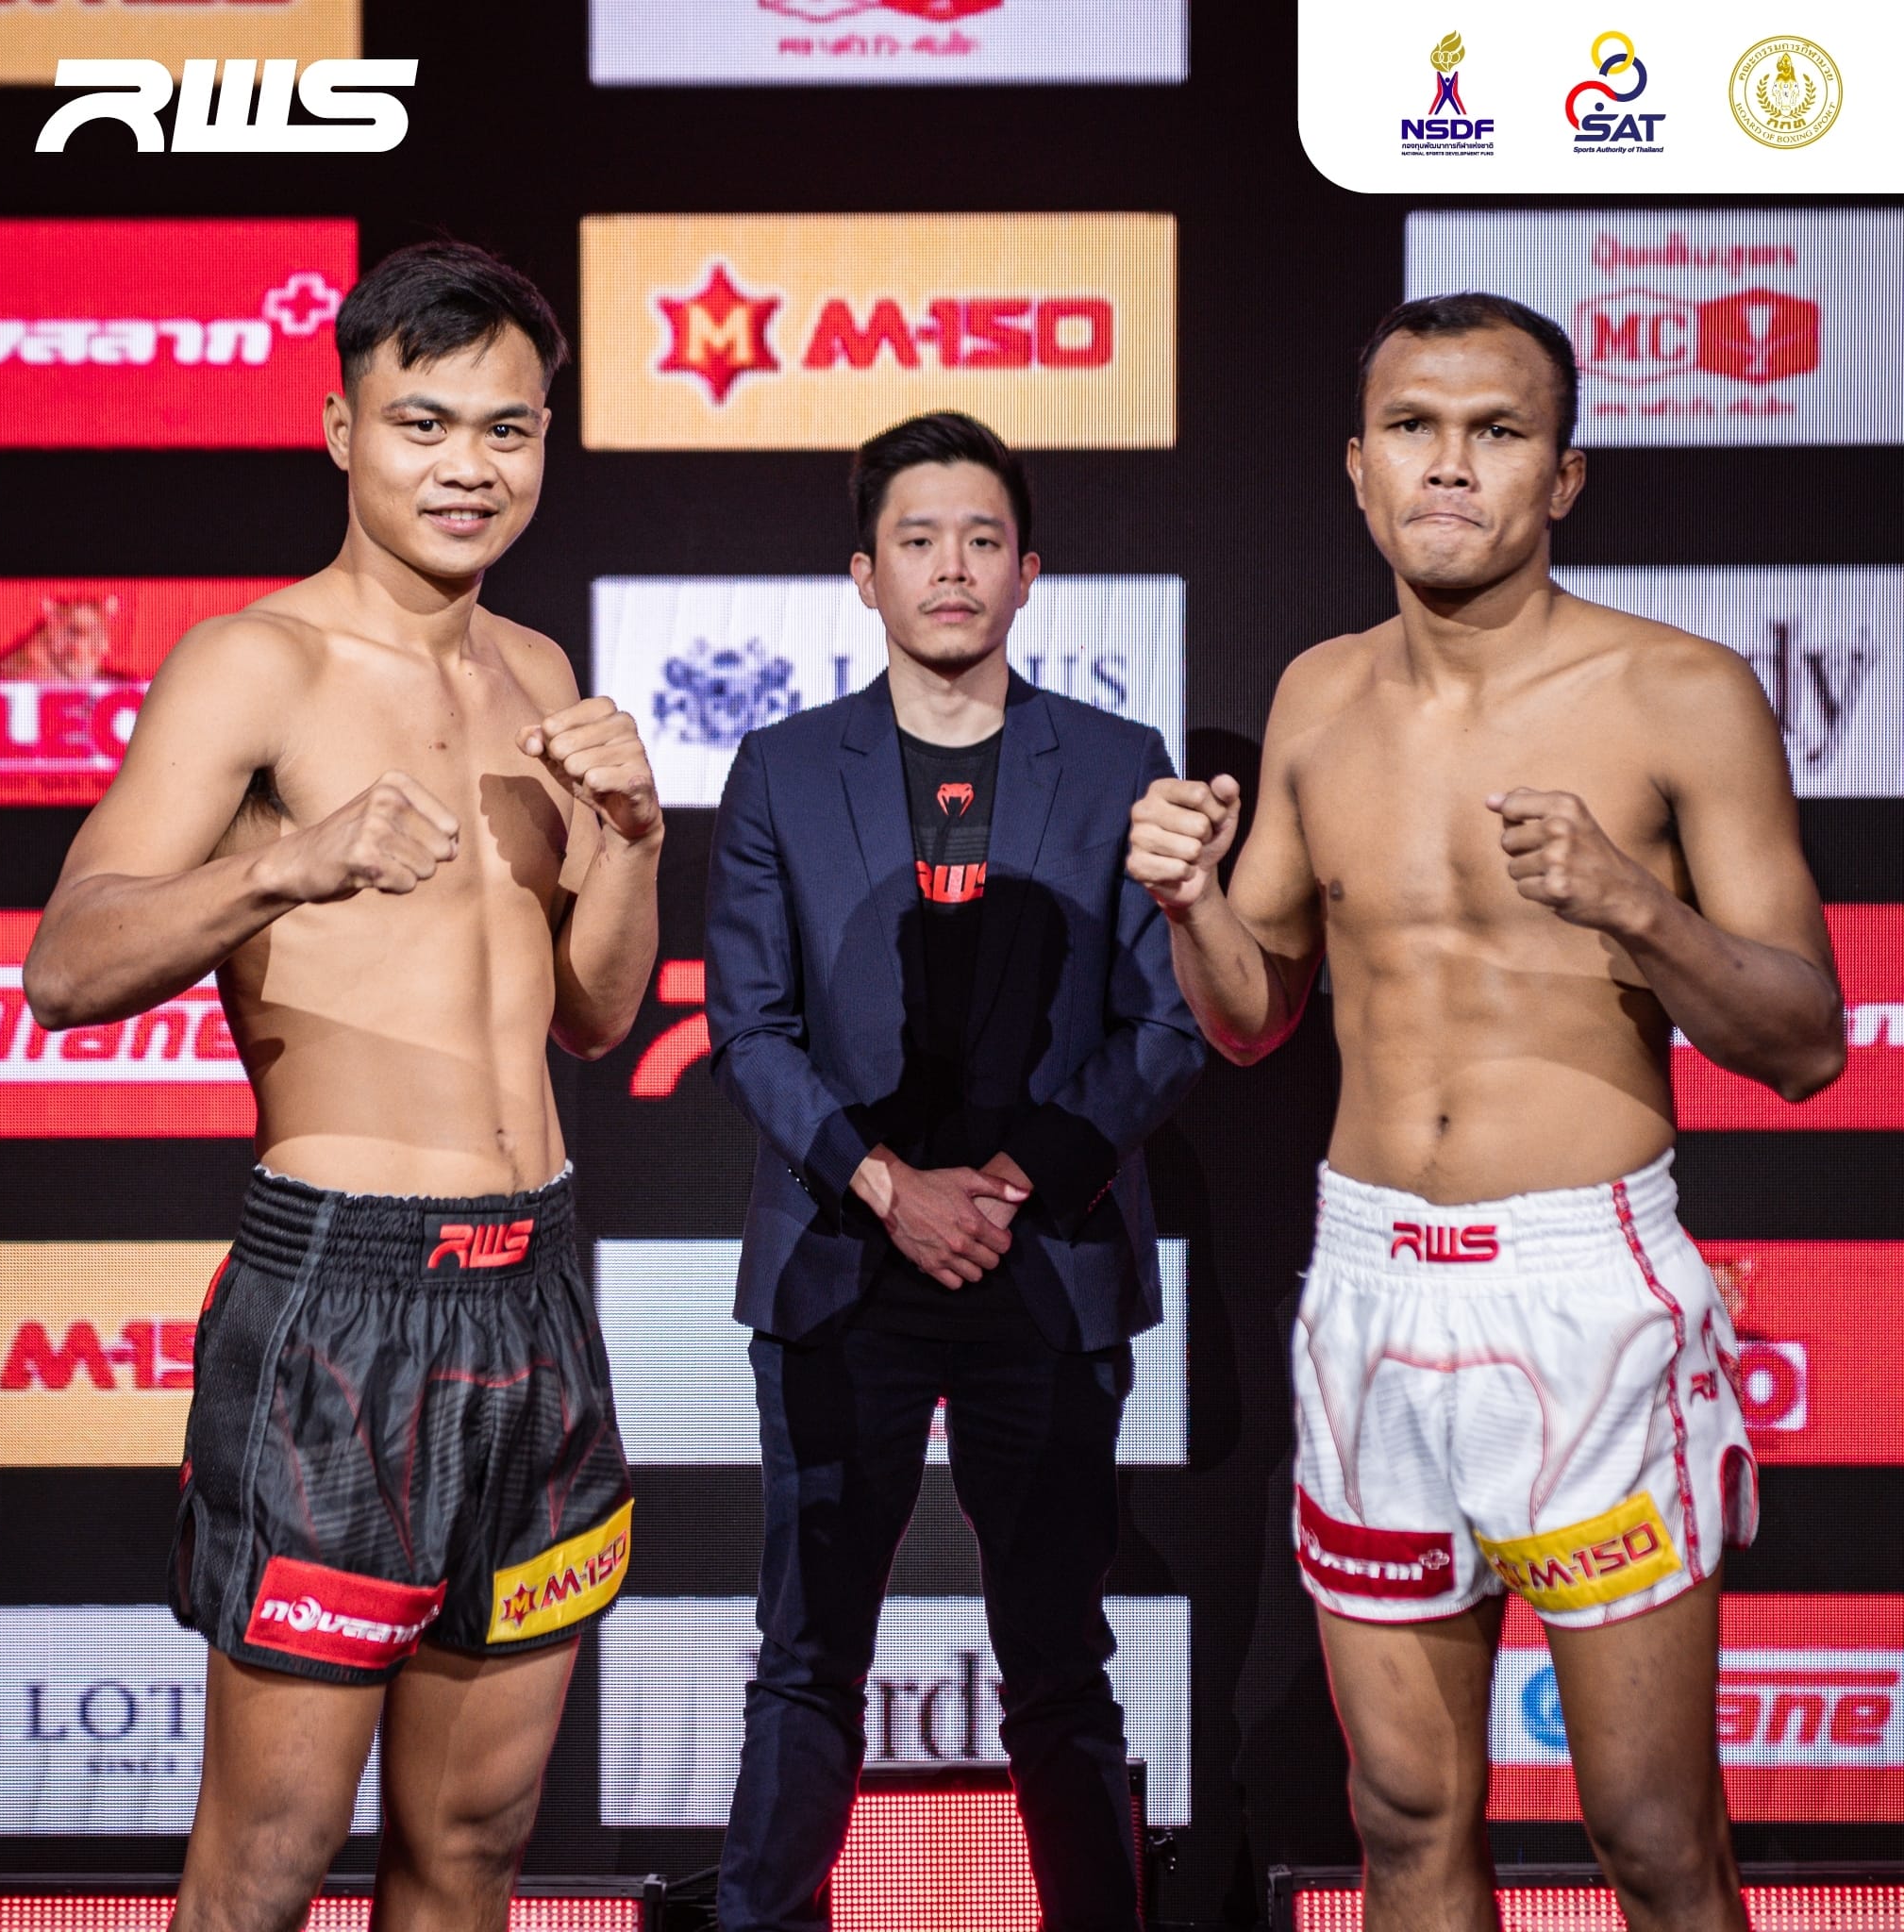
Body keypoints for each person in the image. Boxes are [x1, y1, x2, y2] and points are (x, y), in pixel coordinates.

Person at [1127, 293, 1844, 1932]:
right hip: (1372, 1291)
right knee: (1400, 1816)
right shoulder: (1317, 696)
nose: (1449, 467)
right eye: (1414, 429)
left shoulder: (1681, 692)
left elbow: (1807, 1043)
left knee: (1651, 1831)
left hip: (1585, 1288)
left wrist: (1635, 907)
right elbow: (1254, 1020)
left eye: (1496, 432)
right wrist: (1190, 907)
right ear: (1358, 469)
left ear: (1563, 476)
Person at [24, 242, 662, 1932]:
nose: (469, 467)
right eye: (423, 423)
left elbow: (596, 1019)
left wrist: (633, 841)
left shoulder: (542, 676)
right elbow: (65, 966)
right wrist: (282, 868)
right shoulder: (258, 665)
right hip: (341, 1308)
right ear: (341, 431)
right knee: (269, 1861)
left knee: (477, 1848)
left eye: (508, 430)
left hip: (536, 1295)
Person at [705, 410, 1205, 1932]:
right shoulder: (783, 769)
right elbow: (749, 1028)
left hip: (1044, 1267)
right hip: (841, 1268)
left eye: (983, 539)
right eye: (917, 538)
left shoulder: (1118, 763)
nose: (952, 566)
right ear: (865, 575)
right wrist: (888, 1186)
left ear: (1029, 570)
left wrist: (1003, 1182)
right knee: (808, 1659)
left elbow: (1166, 1024)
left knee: (1060, 1662)